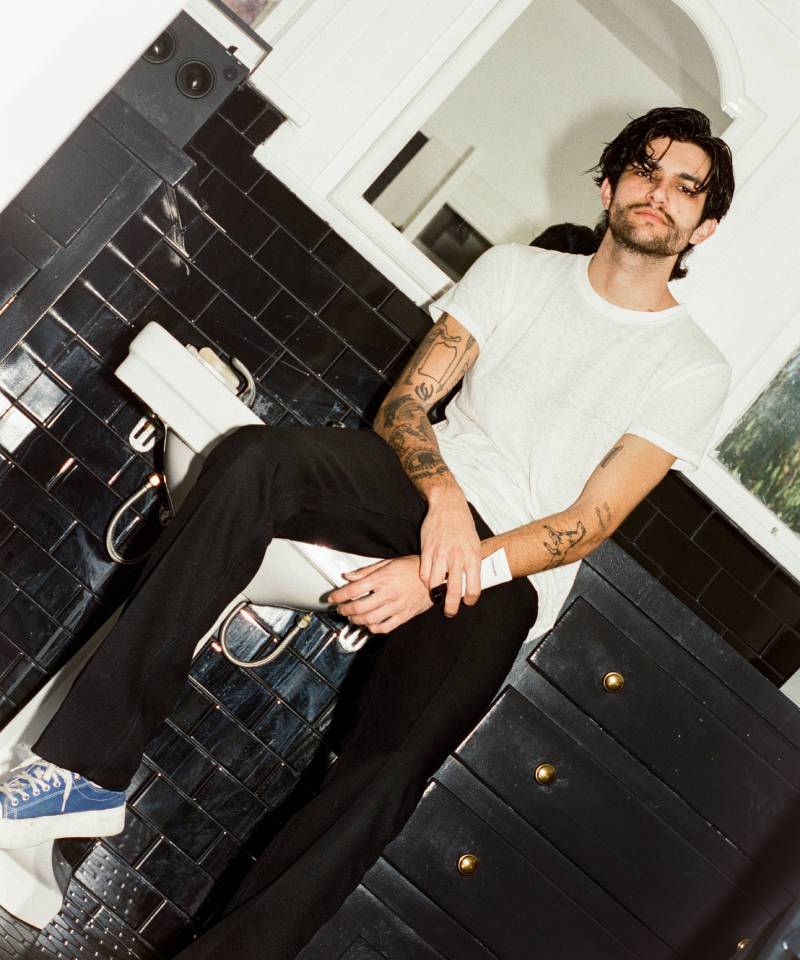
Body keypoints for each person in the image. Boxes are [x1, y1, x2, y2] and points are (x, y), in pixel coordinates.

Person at [0, 106, 734, 958]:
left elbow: (581, 526)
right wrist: (444, 508)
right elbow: (406, 406)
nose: (661, 194)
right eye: (646, 170)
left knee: (387, 769)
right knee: (254, 460)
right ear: (609, 186)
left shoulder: (692, 365)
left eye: (687, 188)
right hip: (429, 493)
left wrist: (435, 570)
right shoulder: (516, 272)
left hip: (509, 574)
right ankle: (77, 779)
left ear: (703, 226)